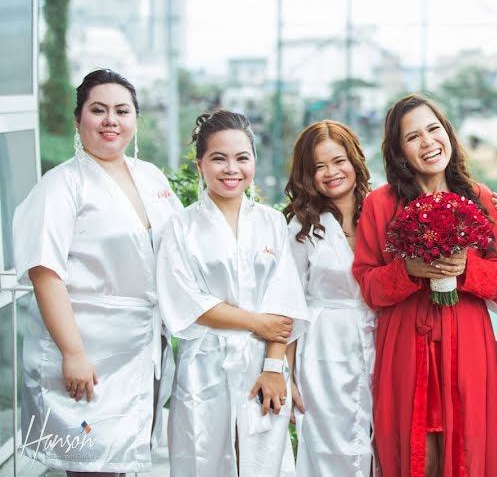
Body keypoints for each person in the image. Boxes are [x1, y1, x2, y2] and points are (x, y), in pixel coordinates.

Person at [13, 69, 182, 476]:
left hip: (144, 348)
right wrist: (73, 353)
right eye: (98, 110)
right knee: (91, 464)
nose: (111, 120)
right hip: (87, 348)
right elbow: (44, 273)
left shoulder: (152, 178)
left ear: (135, 120)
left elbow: (183, 253)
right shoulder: (61, 186)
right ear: (78, 120)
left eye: (122, 110)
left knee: (122, 461)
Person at [352, 94, 497, 477]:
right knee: (413, 451)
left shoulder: (482, 199)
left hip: (468, 342)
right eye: (412, 137)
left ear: (448, 134)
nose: (427, 143)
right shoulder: (381, 204)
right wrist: (408, 270)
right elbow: (368, 284)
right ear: (398, 151)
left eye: (433, 129)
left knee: (469, 448)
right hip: (407, 342)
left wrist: (465, 269)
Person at [156, 110, 308, 477]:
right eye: (218, 158)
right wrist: (257, 322)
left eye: (242, 158)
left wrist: (275, 366)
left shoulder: (272, 222)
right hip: (203, 364)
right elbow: (185, 301)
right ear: (200, 164)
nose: (231, 169)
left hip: (262, 363)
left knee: (260, 461)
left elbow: (284, 300)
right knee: (204, 458)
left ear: (254, 160)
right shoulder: (182, 226)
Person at [282, 120, 376, 476]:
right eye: (318, 166)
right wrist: (286, 373)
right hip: (323, 350)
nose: (331, 172)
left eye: (338, 161)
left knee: (379, 448)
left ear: (354, 160)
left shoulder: (383, 212)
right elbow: (289, 303)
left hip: (380, 341)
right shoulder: (301, 227)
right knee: (327, 450)